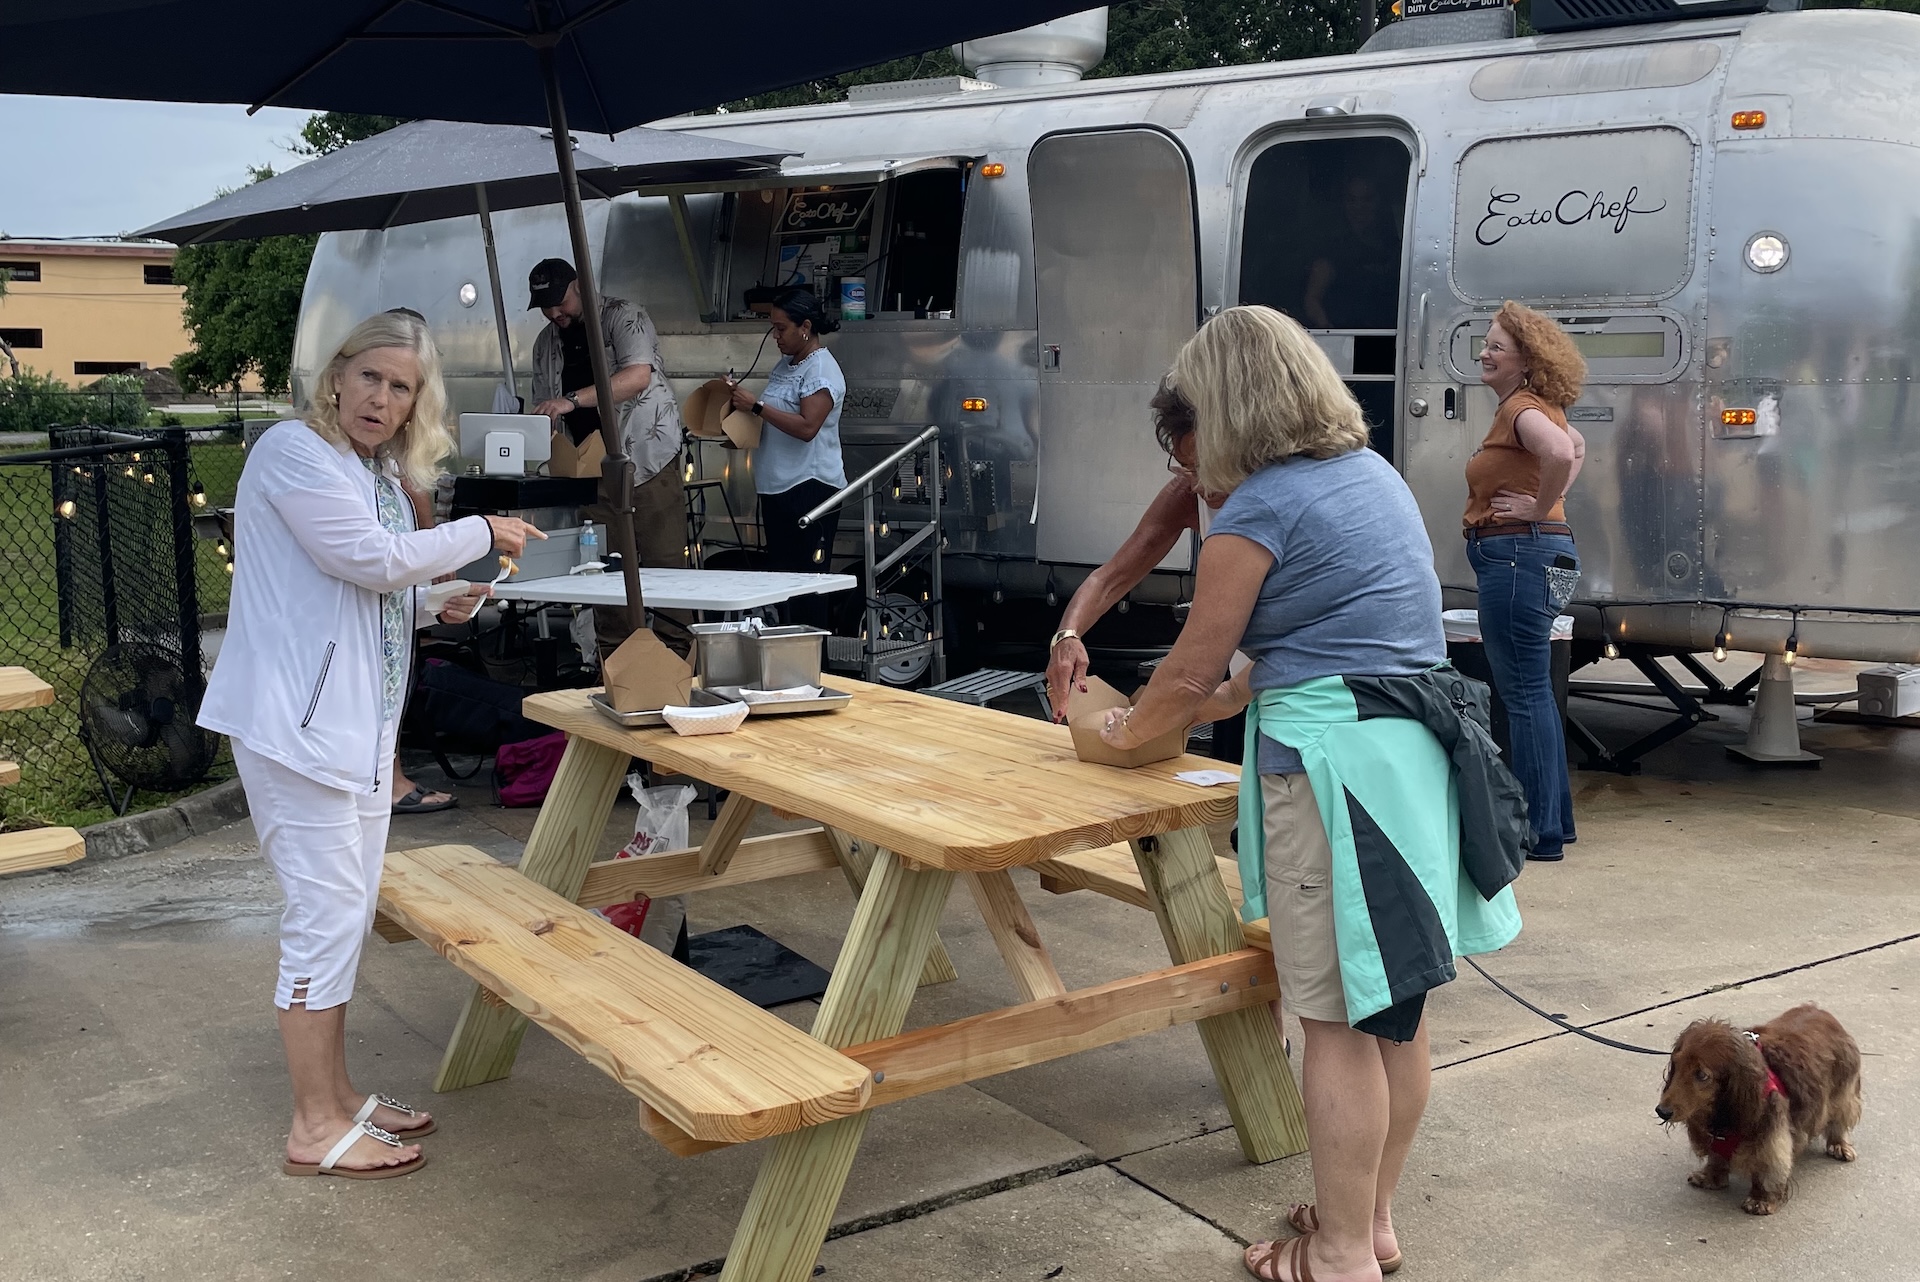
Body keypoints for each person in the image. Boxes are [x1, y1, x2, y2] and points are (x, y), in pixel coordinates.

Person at [1092, 306, 1520, 1282]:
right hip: (1409, 765)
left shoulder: (1260, 508)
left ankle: (1334, 1254)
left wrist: (1116, 733)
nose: (1186, 466)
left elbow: (1194, 679)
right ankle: (1367, 1219)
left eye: (1184, 434)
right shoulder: (1367, 477)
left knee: (1330, 1020)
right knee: (1395, 1012)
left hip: (1336, 774)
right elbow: (1291, 657)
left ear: (1227, 408)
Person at [198, 311, 544, 1179]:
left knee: (346, 916)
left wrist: (437, 603)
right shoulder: (292, 451)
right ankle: (313, 1126)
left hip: (352, 732)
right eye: (370, 377)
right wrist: (480, 535)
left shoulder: (374, 475)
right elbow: (366, 559)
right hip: (296, 729)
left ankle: (340, 1097)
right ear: (337, 376)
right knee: (321, 919)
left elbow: (366, 588)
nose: (381, 398)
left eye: (402, 387)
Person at [1045, 383, 1237, 759]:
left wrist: (1133, 729)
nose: (1197, 483)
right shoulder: (1188, 493)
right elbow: (1111, 577)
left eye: (1207, 467)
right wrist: (1066, 636)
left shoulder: (1269, 496)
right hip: (1243, 676)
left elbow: (1192, 670)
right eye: (1185, 467)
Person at [1464, 300, 1588, 862]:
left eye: (1496, 347)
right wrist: (1552, 504)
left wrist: (1538, 508)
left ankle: (1538, 832)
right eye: (1486, 344)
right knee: (1537, 689)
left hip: (1520, 555)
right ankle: (1554, 823)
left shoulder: (1519, 407)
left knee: (1525, 693)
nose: (1484, 354)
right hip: (1553, 556)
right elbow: (1577, 446)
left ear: (1524, 361)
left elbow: (1562, 451)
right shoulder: (1543, 405)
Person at [527, 257, 686, 657]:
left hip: (646, 459)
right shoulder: (545, 343)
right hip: (586, 470)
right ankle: (613, 664)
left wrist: (569, 401)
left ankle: (680, 658)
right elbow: (542, 404)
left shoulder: (623, 315)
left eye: (559, 301)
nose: (553, 313)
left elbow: (637, 376)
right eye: (544, 306)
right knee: (602, 568)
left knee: (664, 565)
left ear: (579, 285)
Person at [728, 287, 847, 631]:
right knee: (781, 582)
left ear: (805, 327)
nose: (775, 336)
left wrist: (757, 407)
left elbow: (808, 426)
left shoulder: (821, 370)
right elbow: (772, 416)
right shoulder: (787, 364)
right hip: (776, 485)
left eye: (781, 329)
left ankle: (813, 664)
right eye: (773, 328)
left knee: (807, 586)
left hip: (810, 487)